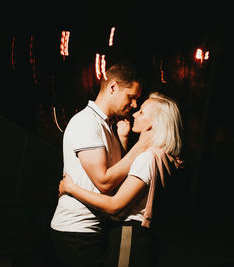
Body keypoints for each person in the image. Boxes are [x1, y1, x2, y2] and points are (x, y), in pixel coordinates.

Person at [59, 92, 184, 267]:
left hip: (131, 236)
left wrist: (70, 188)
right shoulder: (165, 156)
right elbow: (130, 186)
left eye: (141, 112)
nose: (134, 114)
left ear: (152, 123)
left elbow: (114, 205)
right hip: (146, 237)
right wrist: (124, 139)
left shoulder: (147, 158)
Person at [50, 61, 152, 267]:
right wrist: (140, 147)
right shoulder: (86, 123)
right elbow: (105, 182)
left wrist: (122, 140)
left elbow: (119, 175)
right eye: (131, 97)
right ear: (113, 87)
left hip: (93, 230)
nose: (134, 105)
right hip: (75, 232)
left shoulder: (108, 126)